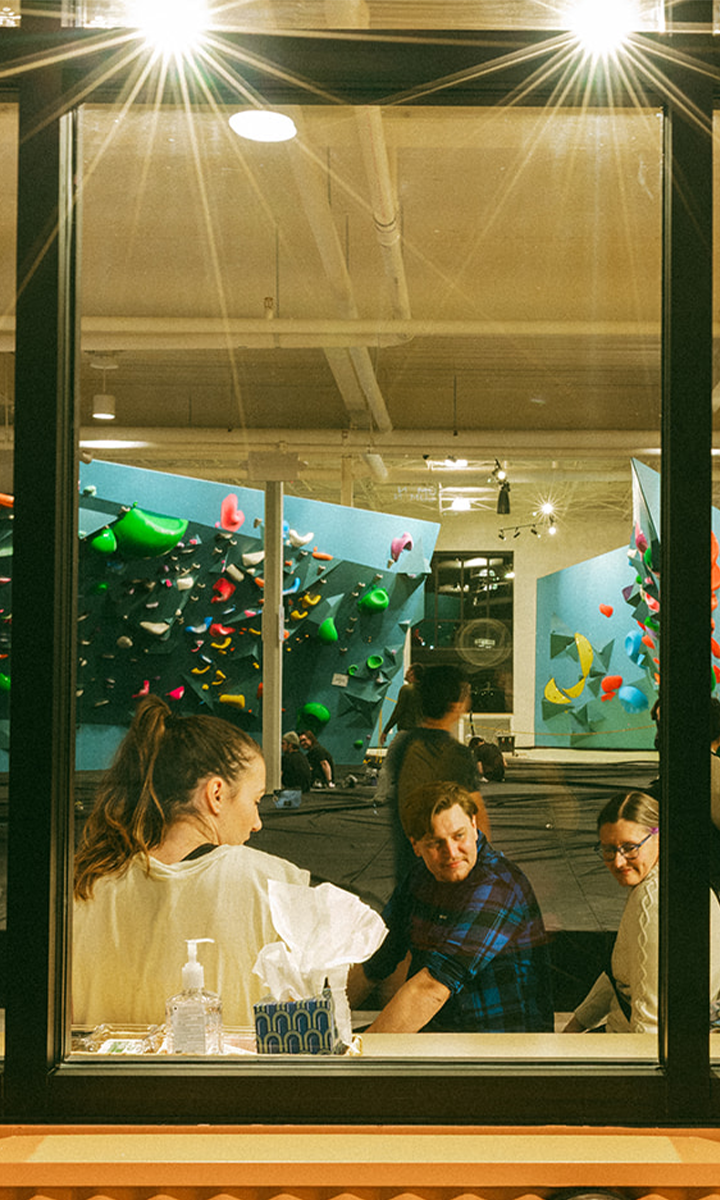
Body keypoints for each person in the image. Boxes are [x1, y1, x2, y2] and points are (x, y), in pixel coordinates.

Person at [73, 695, 310, 1029]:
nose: (257, 822)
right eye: (255, 801)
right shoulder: (272, 885)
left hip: (96, 1082)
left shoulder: (85, 885)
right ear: (215, 794)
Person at [347, 781, 553, 1033]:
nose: (451, 852)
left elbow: (432, 988)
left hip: (500, 1049)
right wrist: (325, 1021)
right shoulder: (418, 878)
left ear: (474, 826)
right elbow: (377, 959)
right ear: (416, 846)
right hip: (441, 1035)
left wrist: (357, 1059)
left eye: (459, 836)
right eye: (435, 843)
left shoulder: (498, 887)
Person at [563, 790, 720, 1033]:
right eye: (608, 849)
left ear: (659, 837)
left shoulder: (654, 900)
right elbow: (621, 977)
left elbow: (650, 1027)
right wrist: (574, 1029)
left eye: (630, 848)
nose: (618, 861)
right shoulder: (672, 878)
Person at [376, 664, 491, 880]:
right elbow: (478, 821)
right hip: (443, 870)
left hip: (410, 866)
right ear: (455, 704)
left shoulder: (404, 745)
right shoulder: (456, 755)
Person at [379, 663, 425, 746]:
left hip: (407, 731)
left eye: (408, 670)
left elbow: (398, 712)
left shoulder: (407, 689)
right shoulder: (425, 691)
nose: (406, 672)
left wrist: (385, 731)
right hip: (421, 733)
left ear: (412, 672)